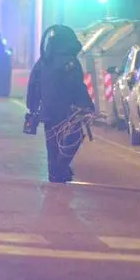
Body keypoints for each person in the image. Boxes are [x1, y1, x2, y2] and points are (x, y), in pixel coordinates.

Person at [26, 25, 94, 183]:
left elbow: (33, 85)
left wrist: (33, 106)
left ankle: (54, 173)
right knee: (75, 138)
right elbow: (77, 86)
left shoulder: (43, 61)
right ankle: (59, 169)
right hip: (68, 112)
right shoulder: (70, 62)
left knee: (52, 144)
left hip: (48, 111)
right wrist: (87, 105)